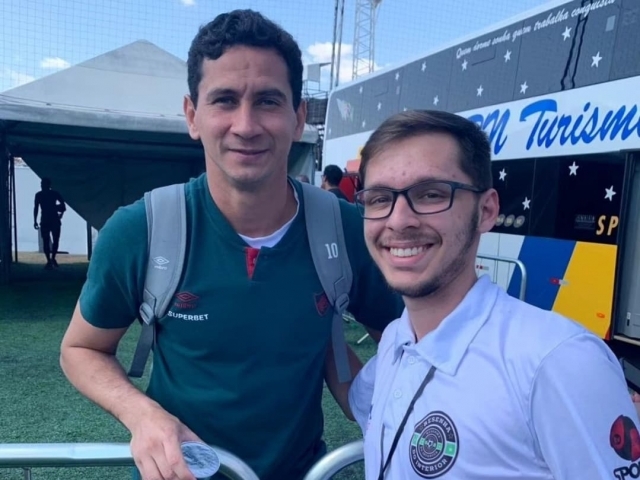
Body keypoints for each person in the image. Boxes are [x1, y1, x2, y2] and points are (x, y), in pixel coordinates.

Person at [59, 9, 403, 480]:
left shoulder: (347, 229)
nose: (246, 125)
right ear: (192, 116)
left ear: (298, 117)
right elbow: (81, 350)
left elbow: (407, 339)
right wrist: (142, 415)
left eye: (267, 101)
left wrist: (366, 395)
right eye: (224, 100)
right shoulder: (141, 229)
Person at [341, 109, 640, 479]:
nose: (398, 220)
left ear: (487, 211)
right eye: (379, 199)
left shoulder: (558, 362)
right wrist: (318, 328)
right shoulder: (398, 341)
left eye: (431, 194)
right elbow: (359, 400)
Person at [33, 177, 66, 269]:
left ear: (48, 185)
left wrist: (58, 211)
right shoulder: (46, 194)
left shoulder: (46, 194)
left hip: (49, 220)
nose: (42, 186)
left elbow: (63, 207)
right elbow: (36, 208)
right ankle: (50, 259)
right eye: (42, 184)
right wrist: (35, 220)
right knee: (48, 241)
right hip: (49, 220)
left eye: (43, 184)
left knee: (52, 240)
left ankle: (51, 259)